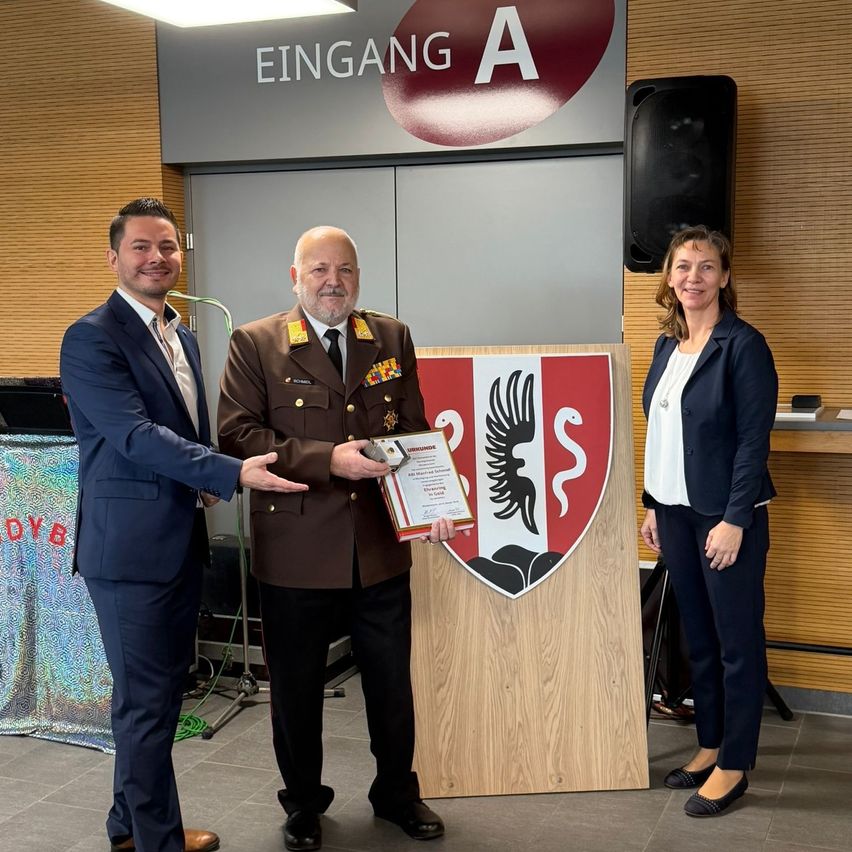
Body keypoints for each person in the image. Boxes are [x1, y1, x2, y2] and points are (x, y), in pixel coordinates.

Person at [59, 198, 308, 852]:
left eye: (166, 247)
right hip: (129, 553)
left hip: (175, 542)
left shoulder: (184, 334)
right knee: (146, 706)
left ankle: (126, 829)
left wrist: (200, 479)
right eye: (141, 247)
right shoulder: (90, 337)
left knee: (159, 697)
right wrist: (226, 472)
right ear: (114, 258)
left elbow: (181, 427)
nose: (156, 258)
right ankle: (157, 843)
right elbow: (133, 434)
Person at [217, 226, 456, 851]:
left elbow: (413, 429)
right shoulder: (256, 343)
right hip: (295, 551)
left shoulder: (391, 336)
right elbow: (237, 436)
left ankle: (397, 794)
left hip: (377, 546)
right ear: (294, 276)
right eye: (319, 269)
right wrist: (329, 460)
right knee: (295, 690)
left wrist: (432, 500)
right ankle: (302, 804)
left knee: (390, 684)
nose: (333, 281)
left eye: (345, 270)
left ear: (357, 275)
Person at [639, 225, 777, 817]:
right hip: (673, 512)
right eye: (682, 266)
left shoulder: (743, 345)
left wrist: (735, 518)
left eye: (705, 266)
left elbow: (753, 442)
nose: (692, 277)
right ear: (669, 278)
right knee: (698, 638)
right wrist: (650, 502)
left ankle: (735, 765)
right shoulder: (666, 347)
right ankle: (710, 744)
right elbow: (661, 432)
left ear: (724, 276)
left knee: (735, 643)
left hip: (724, 520)